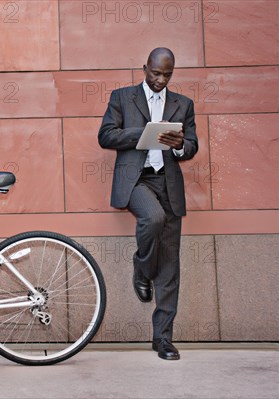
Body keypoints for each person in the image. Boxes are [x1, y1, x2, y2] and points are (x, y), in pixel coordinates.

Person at [98, 47, 198, 360]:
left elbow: (192, 145)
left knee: (170, 266)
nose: (160, 80)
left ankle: (163, 340)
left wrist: (181, 145)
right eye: (155, 73)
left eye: (167, 75)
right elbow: (106, 136)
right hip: (137, 180)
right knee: (152, 218)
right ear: (145, 68)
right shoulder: (122, 97)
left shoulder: (183, 104)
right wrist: (141, 135)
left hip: (168, 183)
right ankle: (142, 269)